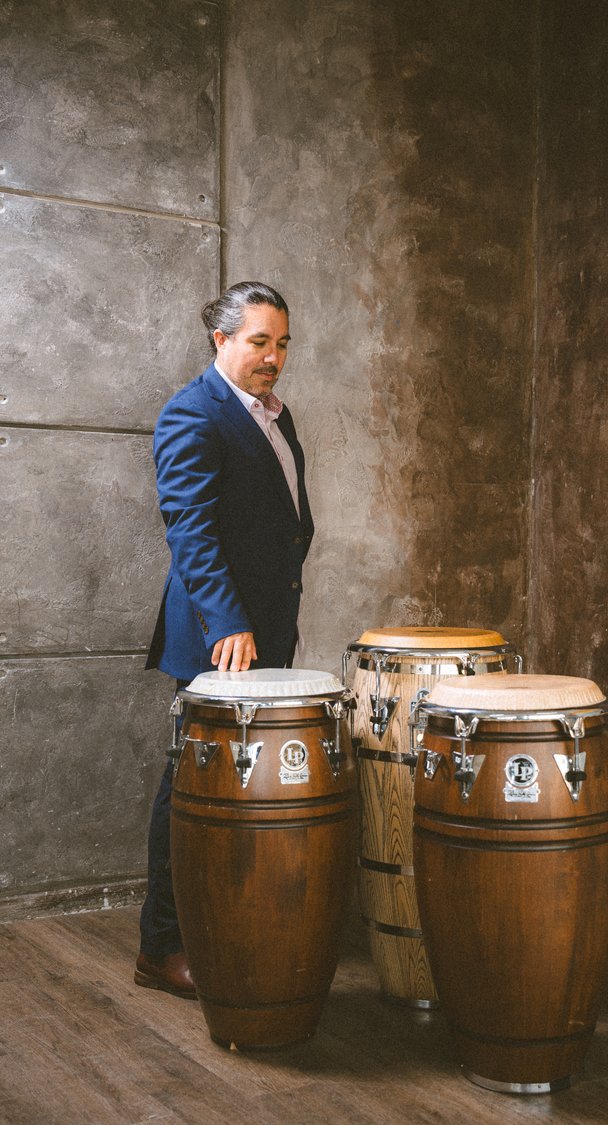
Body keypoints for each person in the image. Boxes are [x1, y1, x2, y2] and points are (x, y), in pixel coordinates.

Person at [135, 281, 314, 998]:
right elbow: (190, 528)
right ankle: (162, 945)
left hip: (267, 630)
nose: (273, 357)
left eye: (281, 343)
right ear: (222, 339)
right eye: (258, 341)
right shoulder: (192, 412)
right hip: (221, 639)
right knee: (189, 789)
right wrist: (229, 621)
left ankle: (227, 920)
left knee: (242, 789)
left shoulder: (275, 413)